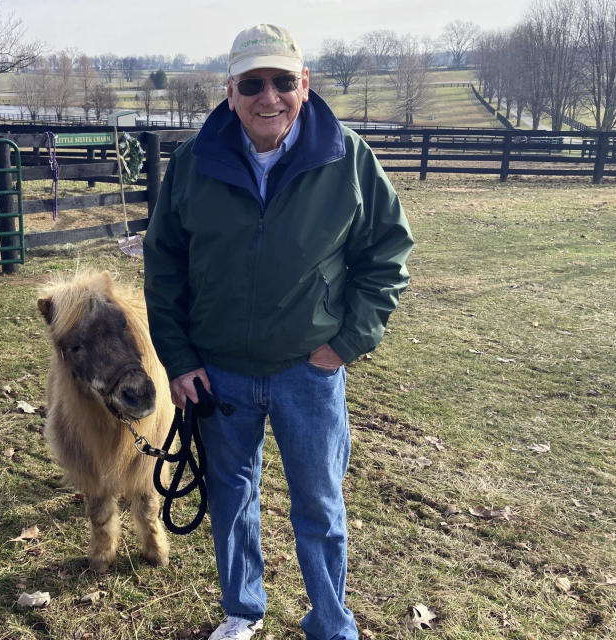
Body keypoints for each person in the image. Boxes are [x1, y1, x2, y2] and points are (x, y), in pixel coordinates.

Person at [143, 24, 414, 640]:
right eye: (253, 84)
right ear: (230, 92)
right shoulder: (192, 164)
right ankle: (242, 610)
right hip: (220, 371)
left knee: (319, 504)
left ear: (304, 84)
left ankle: (331, 620)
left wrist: (349, 340)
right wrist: (180, 359)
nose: (271, 98)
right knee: (231, 496)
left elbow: (388, 254)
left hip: (307, 371)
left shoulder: (347, 158)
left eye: (283, 82)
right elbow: (163, 268)